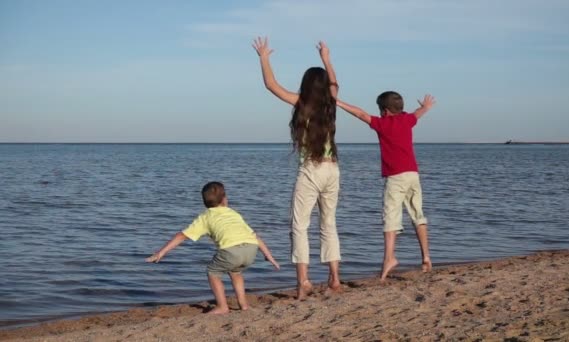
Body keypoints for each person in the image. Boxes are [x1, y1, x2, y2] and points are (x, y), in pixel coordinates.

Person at [252, 37, 341, 299]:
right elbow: (335, 84)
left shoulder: (302, 103)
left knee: (300, 226)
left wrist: (264, 57)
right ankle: (335, 278)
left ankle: (303, 280)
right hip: (333, 169)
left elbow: (271, 85)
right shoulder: (330, 103)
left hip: (311, 169)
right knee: (329, 224)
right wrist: (326, 58)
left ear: (305, 85)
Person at [336, 91, 435, 281]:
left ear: (385, 111)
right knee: (418, 215)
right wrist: (426, 107)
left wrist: (339, 102)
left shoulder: (382, 124)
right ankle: (426, 257)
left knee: (390, 219)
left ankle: (389, 258)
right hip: (413, 174)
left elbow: (360, 114)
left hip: (395, 177)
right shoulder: (407, 120)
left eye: (380, 109)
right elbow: (418, 113)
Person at [146, 181, 280, 314]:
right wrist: (269, 256)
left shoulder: (205, 217)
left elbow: (182, 236)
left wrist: (161, 253)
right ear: (224, 200)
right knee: (236, 272)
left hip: (231, 250)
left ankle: (222, 306)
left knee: (213, 272)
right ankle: (244, 305)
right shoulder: (233, 213)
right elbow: (254, 236)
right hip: (251, 249)